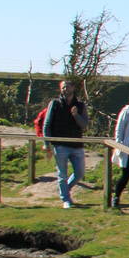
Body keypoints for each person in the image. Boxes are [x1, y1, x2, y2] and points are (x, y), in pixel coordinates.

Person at [41, 79, 89, 208]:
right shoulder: (55, 104)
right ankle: (66, 200)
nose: (65, 89)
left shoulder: (80, 105)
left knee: (79, 173)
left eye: (67, 86)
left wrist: (76, 115)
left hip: (77, 145)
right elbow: (47, 124)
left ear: (73, 88)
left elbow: (84, 125)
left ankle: (65, 190)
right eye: (62, 87)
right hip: (60, 145)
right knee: (62, 174)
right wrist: (47, 143)